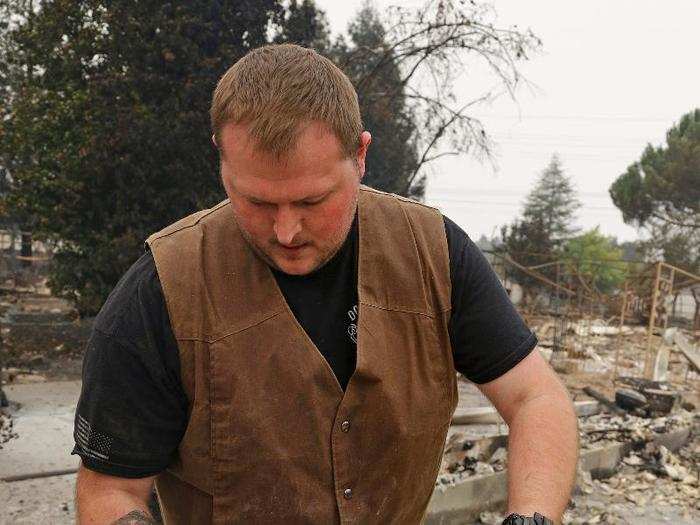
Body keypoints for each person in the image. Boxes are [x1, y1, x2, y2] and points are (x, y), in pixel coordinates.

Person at [73, 44, 578, 525]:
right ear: (220, 158)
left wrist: (530, 515)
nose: (286, 231)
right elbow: (110, 489)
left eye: (313, 202)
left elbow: (536, 398)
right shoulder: (160, 292)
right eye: (258, 202)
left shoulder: (435, 255)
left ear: (360, 156)